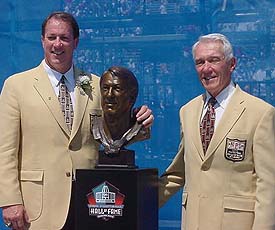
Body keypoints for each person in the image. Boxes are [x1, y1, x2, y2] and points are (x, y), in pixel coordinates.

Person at [0, 12, 153, 230]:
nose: (57, 44)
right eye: (51, 37)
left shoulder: (96, 84)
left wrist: (140, 121)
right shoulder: (17, 86)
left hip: (91, 203)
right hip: (37, 207)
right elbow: (4, 150)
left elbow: (114, 133)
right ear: (42, 40)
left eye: (64, 38)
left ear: (76, 42)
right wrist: (10, 200)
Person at [159, 33, 275, 229]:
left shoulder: (260, 113)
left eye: (214, 60)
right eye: (200, 62)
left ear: (231, 64)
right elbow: (179, 172)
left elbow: (269, 184)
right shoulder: (187, 112)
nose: (206, 68)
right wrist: (136, 202)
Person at [91, 66, 150, 155]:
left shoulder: (140, 128)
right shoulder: (94, 125)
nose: (109, 95)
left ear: (132, 96)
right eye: (105, 88)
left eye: (117, 89)